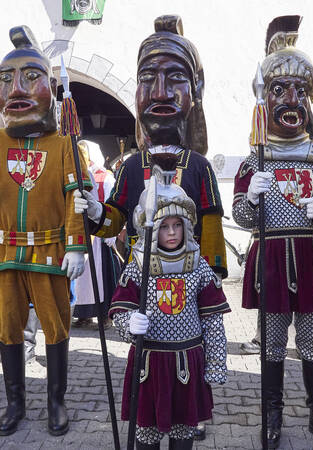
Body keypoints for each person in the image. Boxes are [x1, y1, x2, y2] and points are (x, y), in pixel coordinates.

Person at [74, 15, 228, 440]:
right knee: (147, 361)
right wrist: (94, 213)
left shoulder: (198, 167)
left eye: (174, 78)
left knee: (184, 355)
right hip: (141, 278)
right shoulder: (130, 168)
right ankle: (151, 415)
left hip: (187, 281)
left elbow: (211, 232)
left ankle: (185, 411)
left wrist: (208, 282)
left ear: (195, 91)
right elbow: (113, 222)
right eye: (148, 78)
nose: (160, 92)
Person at [0, 25, 89, 436]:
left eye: (30, 78)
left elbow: (75, 199)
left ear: (50, 87)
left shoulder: (64, 142)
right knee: (9, 327)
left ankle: (56, 402)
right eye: (6, 80)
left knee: (56, 326)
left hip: (50, 251)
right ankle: (15, 402)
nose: (16, 88)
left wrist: (77, 246)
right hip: (3, 253)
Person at [232, 16, 313, 449]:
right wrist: (253, 199)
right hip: (273, 263)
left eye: (300, 91)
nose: (292, 99)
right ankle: (271, 418)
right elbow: (242, 217)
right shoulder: (254, 162)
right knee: (273, 345)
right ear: (265, 99)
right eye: (280, 90)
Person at [108, 162, 230, 450]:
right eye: (164, 226)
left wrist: (215, 363)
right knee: (147, 434)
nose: (172, 233)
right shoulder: (139, 265)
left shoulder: (198, 266)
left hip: (187, 361)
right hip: (149, 364)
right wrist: (128, 323)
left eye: (177, 225)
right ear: (152, 227)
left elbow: (213, 320)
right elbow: (119, 309)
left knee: (182, 433)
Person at [72, 140, 120, 327]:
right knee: (84, 278)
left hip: (101, 234)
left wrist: (111, 234)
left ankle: (105, 315)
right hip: (85, 232)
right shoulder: (78, 174)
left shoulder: (105, 177)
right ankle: (84, 313)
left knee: (103, 276)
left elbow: (112, 204)